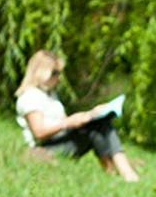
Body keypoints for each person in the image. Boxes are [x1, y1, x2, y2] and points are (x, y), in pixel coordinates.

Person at [14, 50, 140, 182]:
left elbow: (63, 122)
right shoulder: (30, 97)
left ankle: (116, 171)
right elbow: (39, 132)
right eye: (55, 73)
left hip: (60, 139)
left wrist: (90, 114)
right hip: (46, 148)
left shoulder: (50, 95)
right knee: (98, 127)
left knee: (100, 123)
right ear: (41, 72)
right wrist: (68, 122)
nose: (58, 78)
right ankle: (124, 172)